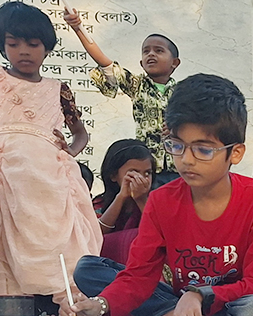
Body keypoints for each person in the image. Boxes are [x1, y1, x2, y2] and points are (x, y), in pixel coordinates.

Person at [70, 74, 253, 316]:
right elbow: (139, 275)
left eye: (203, 150)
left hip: (236, 306)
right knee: (88, 269)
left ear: (235, 153)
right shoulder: (161, 200)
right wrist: (101, 304)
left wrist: (201, 295)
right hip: (182, 304)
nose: (186, 160)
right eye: (177, 145)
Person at [0, 1, 101, 316]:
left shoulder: (58, 89)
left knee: (56, 242)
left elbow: (80, 134)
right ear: (2, 45)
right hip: (2, 172)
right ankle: (10, 315)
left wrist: (69, 152)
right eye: (13, 43)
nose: (23, 51)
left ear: (46, 47)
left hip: (47, 180)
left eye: (33, 44)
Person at [64, 6, 181, 184]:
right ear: (141, 63)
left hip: (178, 166)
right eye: (146, 51)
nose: (151, 54)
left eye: (158, 50)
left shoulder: (184, 92)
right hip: (148, 168)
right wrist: (78, 28)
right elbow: (105, 62)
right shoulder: (137, 85)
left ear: (175, 63)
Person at [93, 139, 155, 262]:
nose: (141, 178)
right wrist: (121, 197)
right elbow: (95, 236)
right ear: (113, 176)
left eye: (147, 173)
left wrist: (141, 199)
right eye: (133, 173)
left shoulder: (159, 201)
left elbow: (162, 233)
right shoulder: (100, 203)